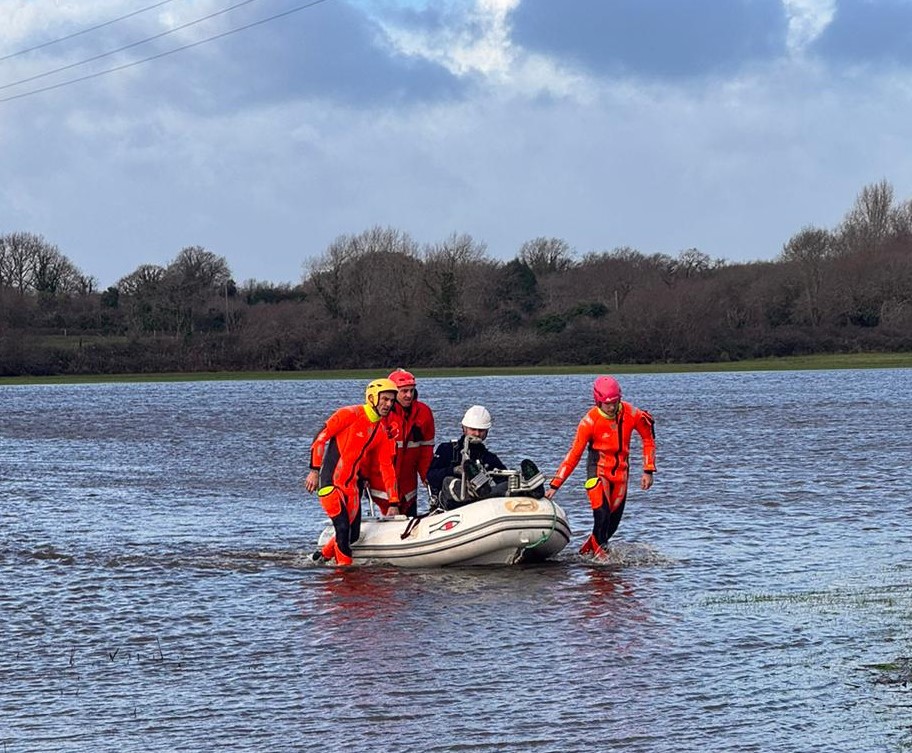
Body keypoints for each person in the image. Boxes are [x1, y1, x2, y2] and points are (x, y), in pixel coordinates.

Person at [545, 376, 656, 559]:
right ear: (598, 401)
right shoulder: (589, 422)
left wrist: (648, 470)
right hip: (598, 471)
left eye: (615, 402)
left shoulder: (631, 413)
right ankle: (601, 559)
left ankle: (588, 558)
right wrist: (555, 485)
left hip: (621, 473)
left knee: (611, 525)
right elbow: (574, 455)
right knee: (602, 515)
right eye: (607, 404)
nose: (611, 408)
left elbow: (648, 438)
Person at [304, 378, 401, 565]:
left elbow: (387, 467)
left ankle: (320, 557)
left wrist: (393, 501)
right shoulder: (349, 414)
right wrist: (314, 470)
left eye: (391, 401)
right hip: (330, 483)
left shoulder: (380, 430)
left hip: (352, 487)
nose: (388, 404)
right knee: (342, 528)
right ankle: (345, 574)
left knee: (353, 535)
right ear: (372, 397)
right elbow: (320, 438)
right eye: (385, 399)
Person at [427, 405, 507, 509]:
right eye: (473, 429)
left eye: (481, 430)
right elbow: (431, 476)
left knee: (506, 484)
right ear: (464, 429)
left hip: (479, 505)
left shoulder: (489, 458)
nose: (477, 434)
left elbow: (503, 478)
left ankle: (531, 485)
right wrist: (454, 470)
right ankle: (471, 490)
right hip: (451, 504)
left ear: (487, 431)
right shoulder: (447, 449)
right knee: (449, 481)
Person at [386, 368, 435, 517]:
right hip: (383, 483)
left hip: (409, 483)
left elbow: (426, 450)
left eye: (411, 391)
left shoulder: (423, 413)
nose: (409, 395)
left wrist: (427, 476)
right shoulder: (383, 413)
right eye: (404, 391)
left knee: (409, 515)